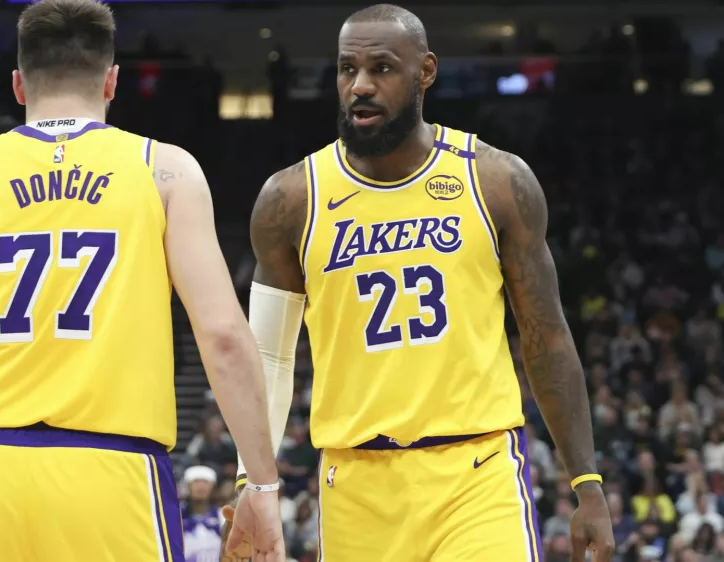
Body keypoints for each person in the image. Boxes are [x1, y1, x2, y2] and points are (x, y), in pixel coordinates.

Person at [0, 0, 284, 561]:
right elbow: (224, 337)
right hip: (116, 465)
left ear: (19, 85)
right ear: (112, 81)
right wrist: (260, 484)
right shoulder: (164, 169)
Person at [221, 4, 615, 561]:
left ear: (425, 71)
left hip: (475, 473)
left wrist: (587, 484)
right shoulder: (291, 199)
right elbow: (269, 358)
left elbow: (546, 337)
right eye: (346, 69)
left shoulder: (495, 180)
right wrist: (251, 485)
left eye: (381, 68)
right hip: (355, 483)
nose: (359, 85)